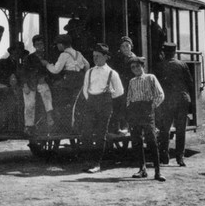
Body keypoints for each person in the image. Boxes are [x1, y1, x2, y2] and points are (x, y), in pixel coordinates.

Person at [81, 43, 124, 173]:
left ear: (106, 57)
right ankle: (88, 161)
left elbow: (119, 91)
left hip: (105, 104)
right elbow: (85, 89)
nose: (95, 59)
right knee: (86, 133)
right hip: (91, 102)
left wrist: (107, 99)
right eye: (94, 56)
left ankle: (96, 163)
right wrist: (92, 100)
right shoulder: (89, 72)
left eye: (98, 56)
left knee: (100, 134)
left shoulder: (112, 73)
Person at [126, 56, 166, 182]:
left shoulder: (150, 77)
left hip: (147, 110)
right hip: (135, 111)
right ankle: (142, 169)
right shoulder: (132, 81)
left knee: (152, 141)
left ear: (142, 66)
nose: (136, 69)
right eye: (133, 67)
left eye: (138, 66)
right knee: (136, 140)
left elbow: (160, 94)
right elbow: (129, 98)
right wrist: (130, 111)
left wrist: (151, 107)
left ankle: (157, 171)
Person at [155, 42, 194, 166]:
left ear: (164, 52)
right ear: (175, 52)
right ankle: (180, 158)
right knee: (181, 129)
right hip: (182, 100)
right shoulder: (182, 65)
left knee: (164, 129)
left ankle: (164, 157)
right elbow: (190, 83)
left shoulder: (160, 65)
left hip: (166, 101)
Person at [42, 34, 89, 132]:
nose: (57, 46)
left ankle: (63, 126)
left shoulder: (64, 55)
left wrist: (47, 65)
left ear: (62, 45)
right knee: (75, 103)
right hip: (79, 80)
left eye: (58, 44)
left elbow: (56, 70)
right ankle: (75, 126)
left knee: (61, 102)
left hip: (69, 80)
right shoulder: (78, 53)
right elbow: (87, 64)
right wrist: (84, 74)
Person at [22, 35, 54, 136]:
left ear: (44, 44)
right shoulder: (29, 58)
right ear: (34, 45)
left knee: (46, 93)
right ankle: (28, 125)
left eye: (41, 44)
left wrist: (44, 77)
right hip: (30, 83)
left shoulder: (48, 57)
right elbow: (23, 73)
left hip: (42, 83)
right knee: (29, 104)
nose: (39, 46)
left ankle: (49, 116)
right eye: (37, 44)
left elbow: (52, 71)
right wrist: (25, 85)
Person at [0, 41, 29, 134]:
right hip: (6, 90)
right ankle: (10, 127)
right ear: (12, 52)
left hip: (18, 90)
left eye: (20, 52)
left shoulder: (21, 65)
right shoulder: (2, 62)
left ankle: (20, 127)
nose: (18, 54)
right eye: (16, 52)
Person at [108, 36, 136, 134]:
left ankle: (127, 126)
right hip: (121, 85)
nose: (125, 48)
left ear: (131, 46)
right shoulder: (118, 59)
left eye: (127, 46)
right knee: (118, 105)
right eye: (122, 46)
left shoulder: (135, 59)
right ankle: (118, 127)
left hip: (131, 86)